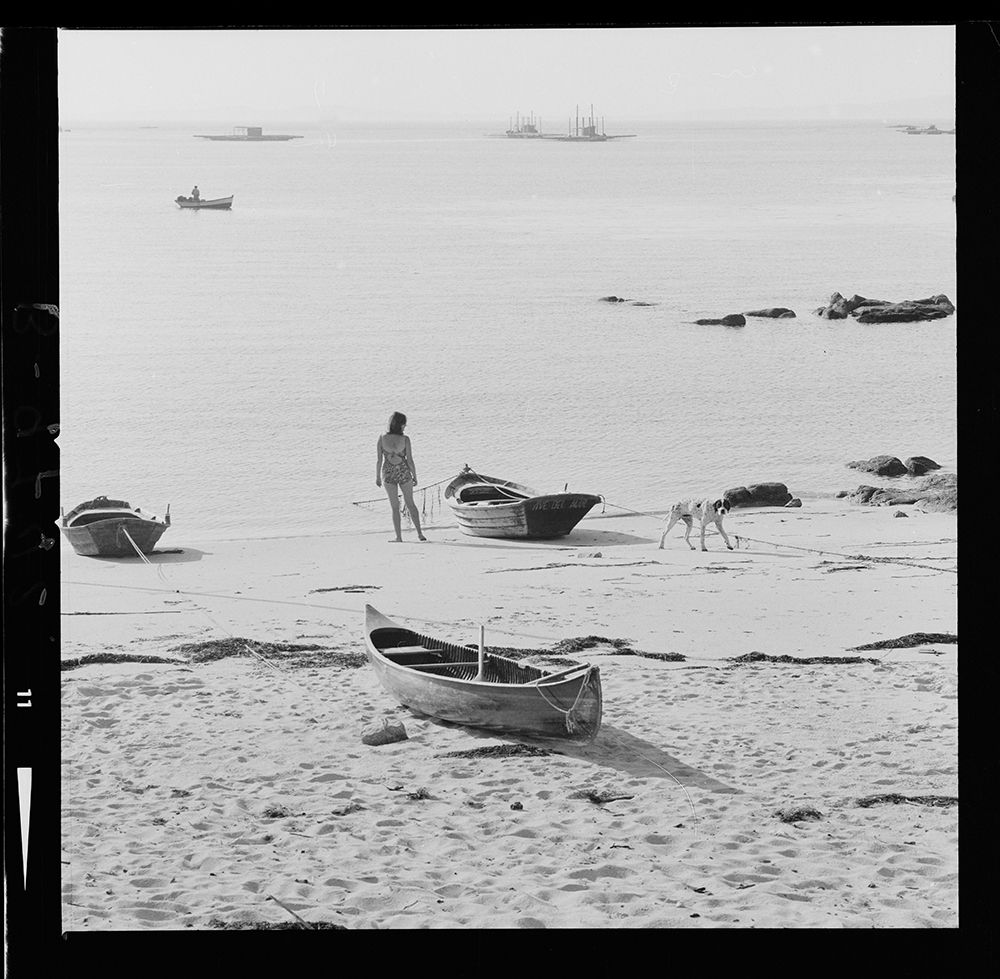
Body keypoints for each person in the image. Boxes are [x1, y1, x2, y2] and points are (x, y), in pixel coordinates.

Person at [375, 412, 426, 542]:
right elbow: (410, 461)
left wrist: (377, 477)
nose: (405, 427)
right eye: (404, 424)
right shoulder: (405, 439)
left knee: (394, 507)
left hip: (388, 473)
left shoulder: (381, 438)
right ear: (401, 425)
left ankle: (399, 537)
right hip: (403, 472)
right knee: (411, 504)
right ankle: (420, 534)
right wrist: (415, 476)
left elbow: (379, 460)